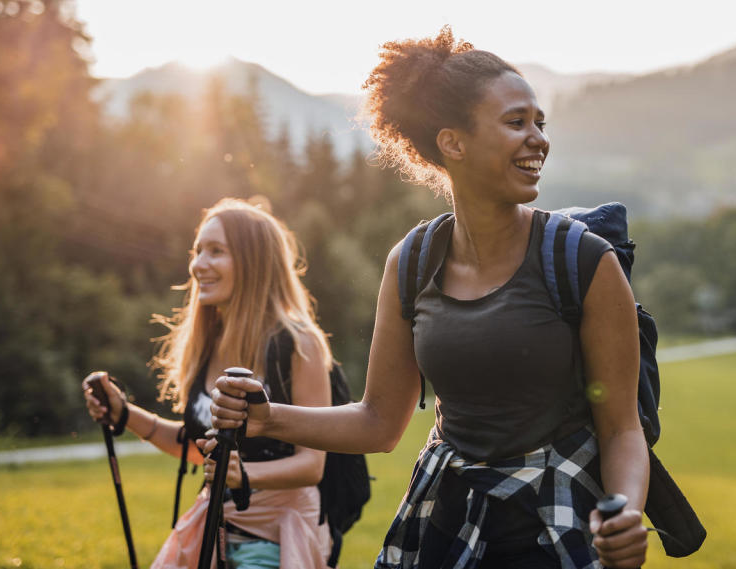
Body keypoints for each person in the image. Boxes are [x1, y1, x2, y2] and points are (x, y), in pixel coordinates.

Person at [210, 28, 650, 569]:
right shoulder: (412, 262)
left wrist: (624, 513)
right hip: (448, 519)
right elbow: (378, 420)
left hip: (556, 524)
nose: (538, 138)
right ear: (453, 143)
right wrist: (268, 417)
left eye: (540, 122)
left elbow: (622, 427)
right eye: (516, 122)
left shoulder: (586, 261)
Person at [83, 198, 333, 569]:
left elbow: (312, 465)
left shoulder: (297, 343)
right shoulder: (207, 344)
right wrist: (124, 414)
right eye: (198, 251)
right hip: (213, 524)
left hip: (277, 535)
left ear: (255, 261)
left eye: (216, 251)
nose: (199, 264)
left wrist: (244, 474)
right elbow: (198, 445)